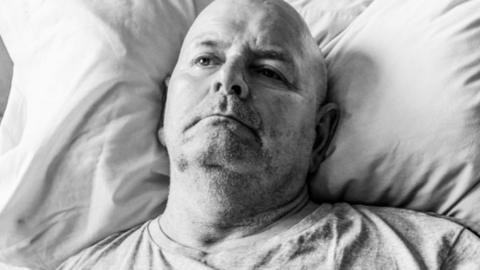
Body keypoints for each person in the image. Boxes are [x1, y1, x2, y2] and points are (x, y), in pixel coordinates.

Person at [57, 0, 480, 269]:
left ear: (319, 134)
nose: (228, 79)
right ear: (165, 113)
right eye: (206, 59)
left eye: (268, 71)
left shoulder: (434, 254)